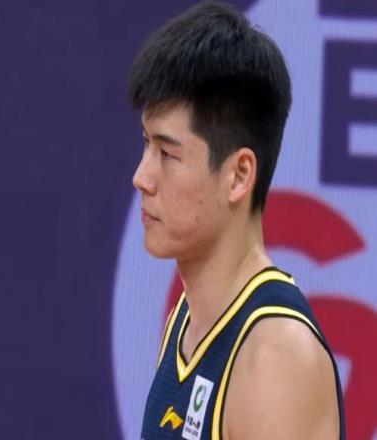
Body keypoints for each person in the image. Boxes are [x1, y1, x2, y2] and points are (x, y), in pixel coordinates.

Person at [128, 2, 345, 439]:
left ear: (239, 175)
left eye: (167, 154)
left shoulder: (276, 359)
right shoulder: (185, 321)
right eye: (146, 144)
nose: (142, 178)